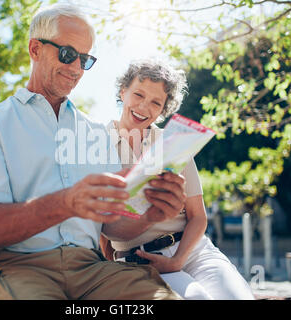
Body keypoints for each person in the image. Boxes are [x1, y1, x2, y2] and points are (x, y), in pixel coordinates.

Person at [0, 4, 186, 300]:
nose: (76, 68)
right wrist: (65, 203)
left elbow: (113, 226)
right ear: (35, 49)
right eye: (67, 54)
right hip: (15, 267)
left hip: (92, 271)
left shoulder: (95, 133)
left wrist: (151, 215)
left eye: (85, 59)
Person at [100, 59, 255, 300]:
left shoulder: (175, 143)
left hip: (194, 251)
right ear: (123, 91)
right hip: (140, 260)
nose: (144, 106)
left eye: (156, 102)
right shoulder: (98, 145)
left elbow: (198, 216)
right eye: (138, 94)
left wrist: (178, 260)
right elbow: (101, 228)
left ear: (163, 109)